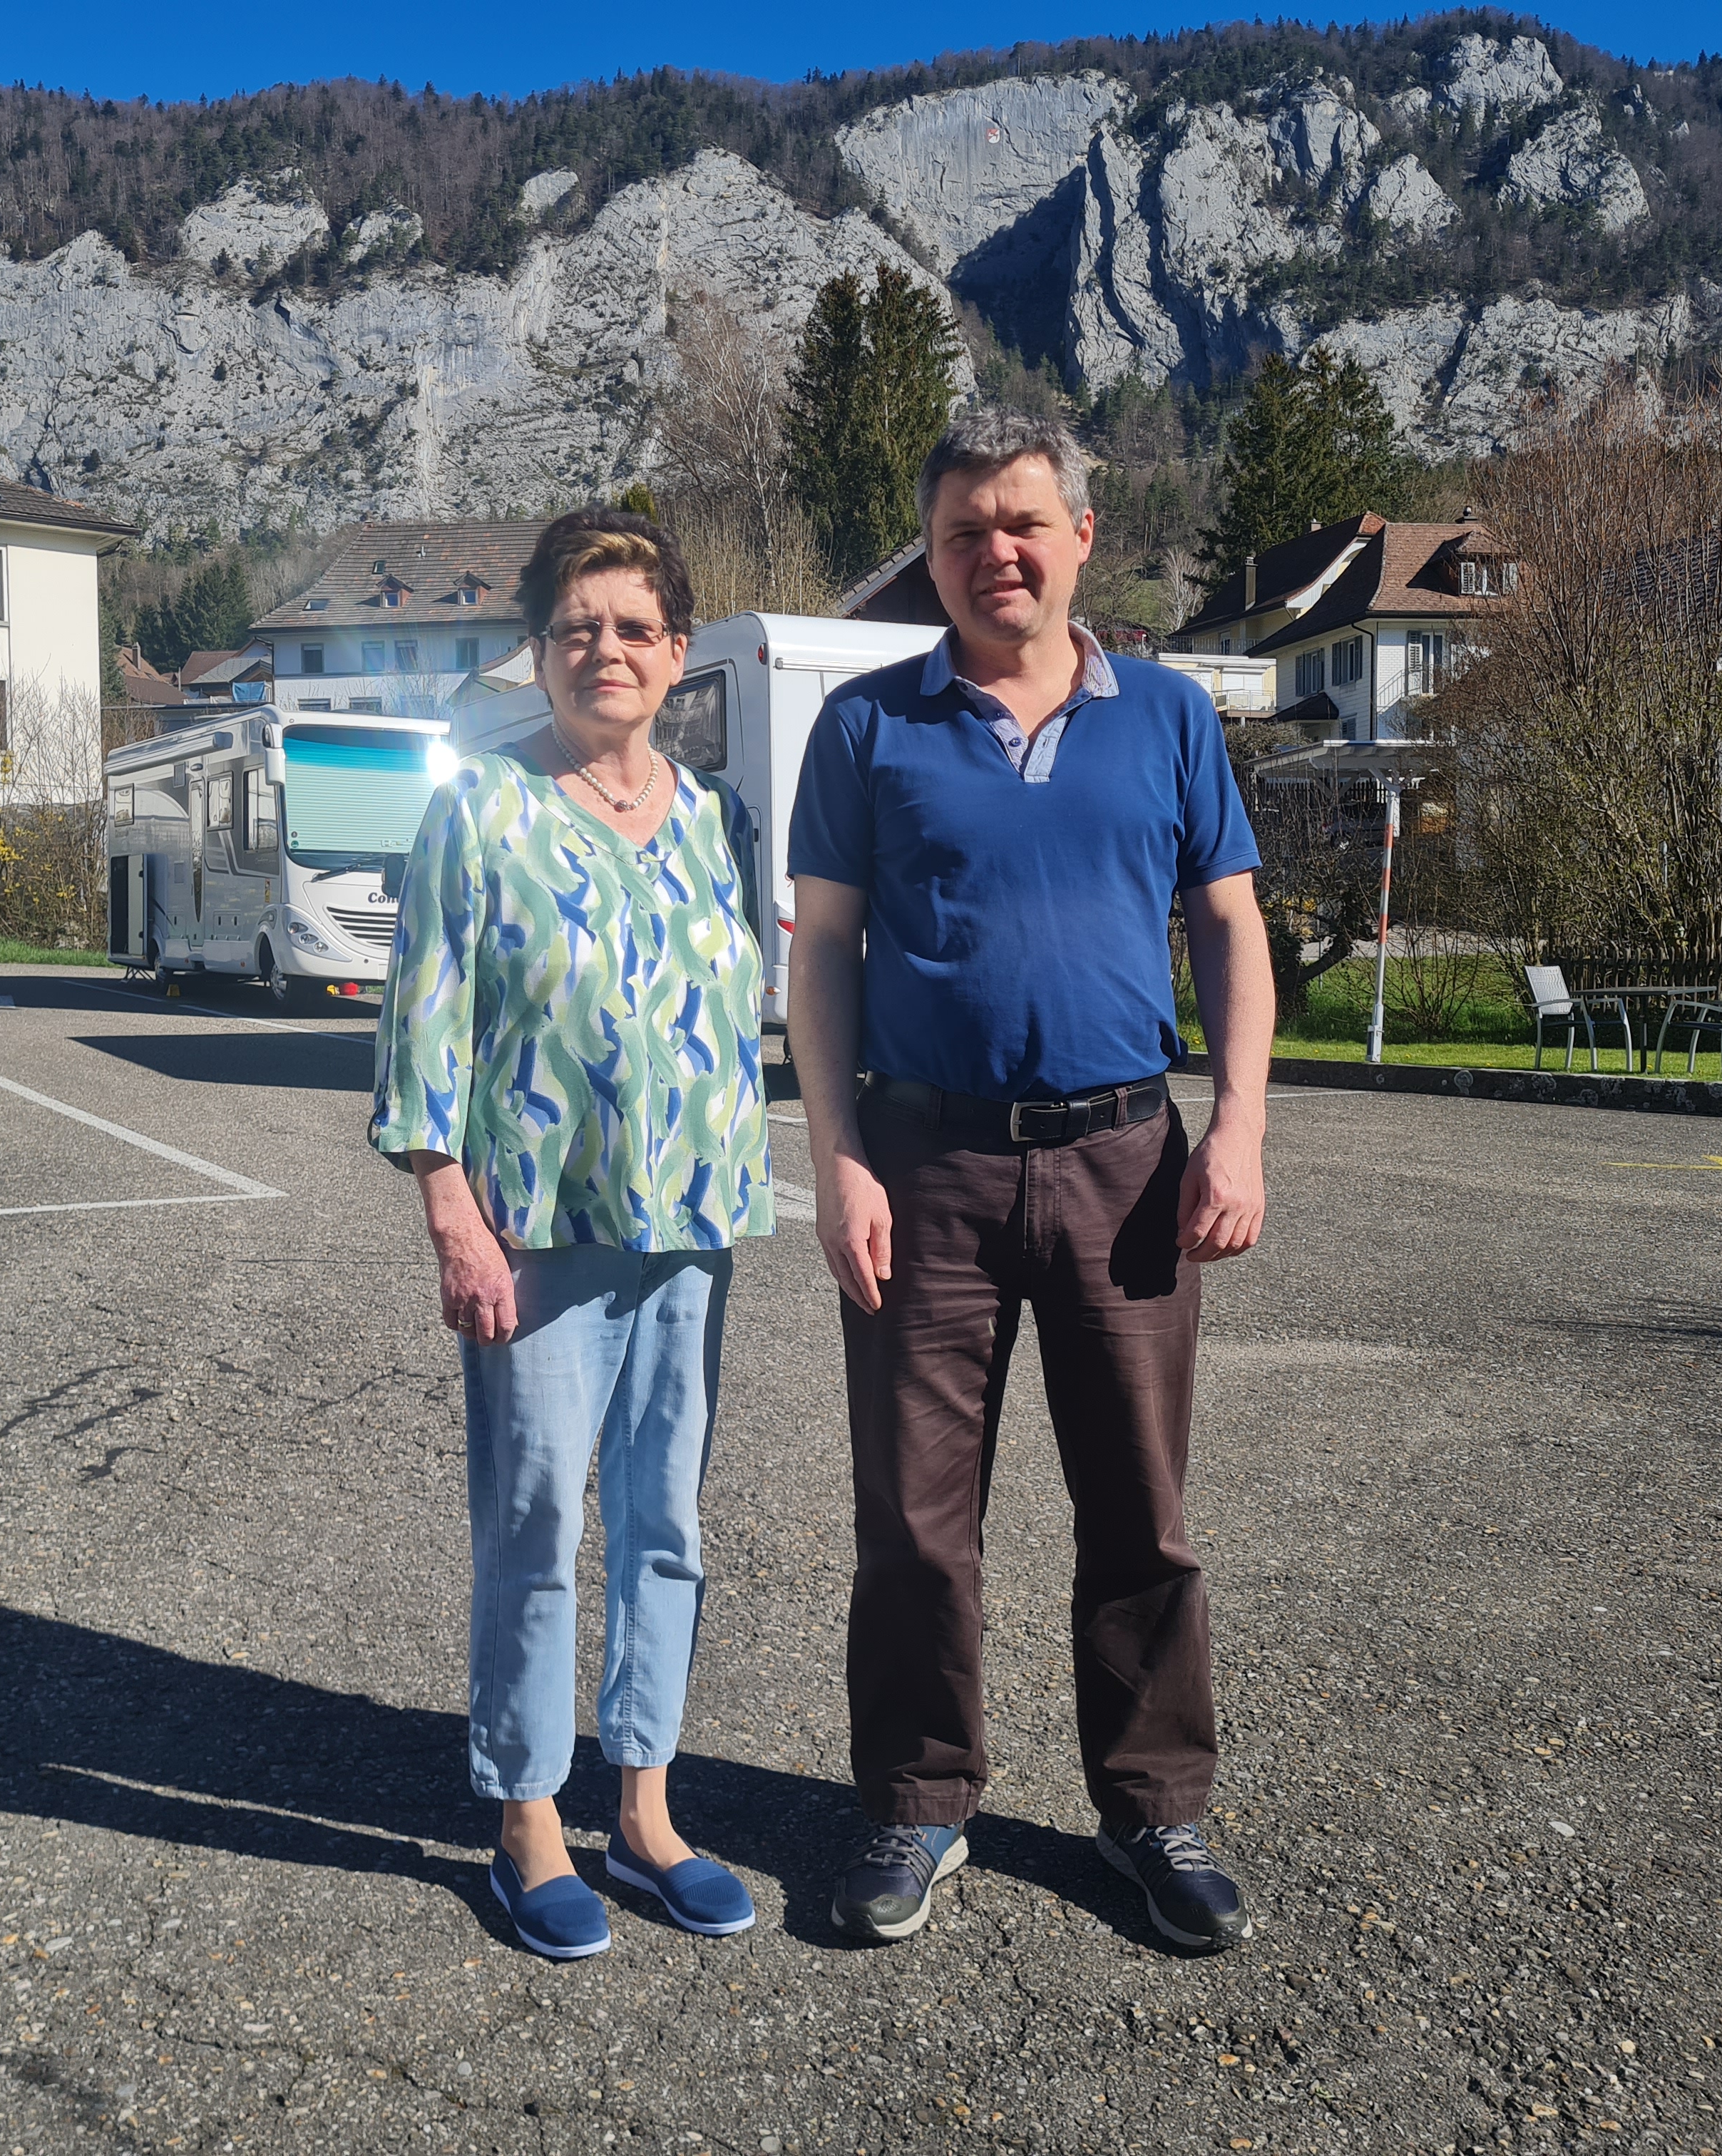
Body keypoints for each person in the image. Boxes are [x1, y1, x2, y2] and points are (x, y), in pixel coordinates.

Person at [784, 406, 1275, 1952]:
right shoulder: (868, 727)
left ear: (1079, 538)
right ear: (929, 557)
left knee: (1141, 1509)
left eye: (1019, 522)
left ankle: (1156, 1808)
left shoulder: (1171, 718)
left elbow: (1233, 934)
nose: (992, 550)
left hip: (1127, 1161)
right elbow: (822, 957)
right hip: (923, 1165)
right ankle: (917, 1805)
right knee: (917, 1519)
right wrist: (837, 1157)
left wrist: (1241, 1124)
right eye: (958, 531)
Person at [370, 508, 772, 1961]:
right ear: (539, 654)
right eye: (575, 627)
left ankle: (648, 1811)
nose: (605, 648)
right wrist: (451, 1221)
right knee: (536, 1528)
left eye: (633, 626)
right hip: (536, 1243)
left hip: (691, 1234)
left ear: (677, 655)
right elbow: (425, 1038)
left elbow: (745, 1017)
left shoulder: (722, 820)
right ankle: (529, 1816)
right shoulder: (478, 807)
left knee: (666, 1527)